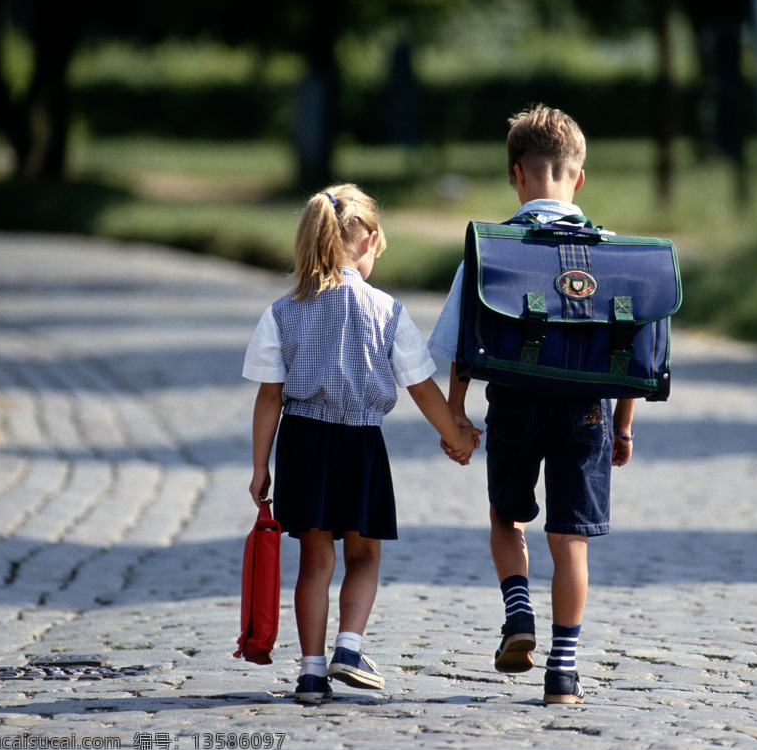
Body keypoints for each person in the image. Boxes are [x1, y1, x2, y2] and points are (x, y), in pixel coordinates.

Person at [428, 105, 635, 704]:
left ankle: (518, 614)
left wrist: (457, 417)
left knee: (506, 516)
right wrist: (622, 426)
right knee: (570, 540)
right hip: (587, 410)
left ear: (516, 175)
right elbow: (627, 353)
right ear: (580, 176)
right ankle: (563, 673)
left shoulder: (491, 252)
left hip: (515, 405)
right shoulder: (611, 253)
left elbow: (461, 347)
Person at [243, 183, 480, 705]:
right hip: (361, 447)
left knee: (314, 562)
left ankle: (309, 673)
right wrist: (457, 436)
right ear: (370, 238)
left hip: (303, 443)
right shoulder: (387, 311)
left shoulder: (283, 312)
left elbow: (269, 396)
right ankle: (348, 647)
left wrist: (260, 467)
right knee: (364, 556)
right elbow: (421, 387)